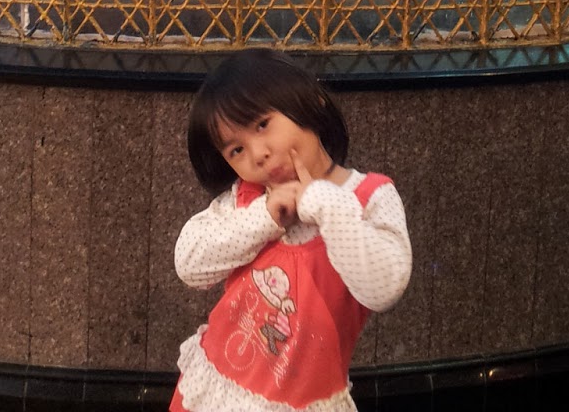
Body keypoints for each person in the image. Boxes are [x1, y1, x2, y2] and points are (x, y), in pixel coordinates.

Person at [172, 50, 411, 412]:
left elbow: (384, 288)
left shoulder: (369, 198)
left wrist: (325, 203)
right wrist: (264, 217)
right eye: (236, 150)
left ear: (311, 100)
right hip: (217, 391)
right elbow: (189, 263)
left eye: (262, 125)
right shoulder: (248, 199)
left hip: (303, 401)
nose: (258, 154)